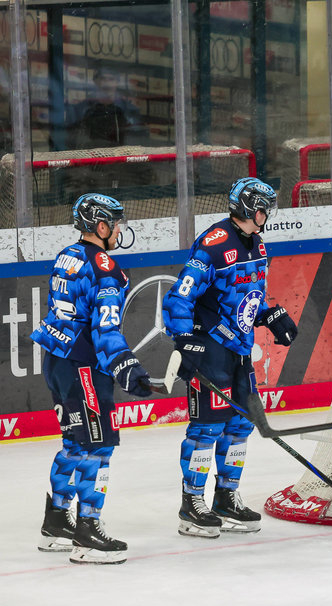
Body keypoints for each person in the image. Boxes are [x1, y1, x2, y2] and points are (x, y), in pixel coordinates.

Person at [162, 177, 298, 538]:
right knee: (207, 427)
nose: (268, 215)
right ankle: (192, 503)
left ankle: (226, 497)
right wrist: (185, 340)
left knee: (240, 425)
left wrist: (269, 314)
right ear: (251, 209)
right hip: (210, 348)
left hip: (240, 348)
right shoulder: (214, 244)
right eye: (265, 208)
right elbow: (179, 297)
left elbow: (247, 297)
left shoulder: (258, 244)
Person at [31, 193, 153, 565]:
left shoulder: (66, 255)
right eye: (116, 224)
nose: (119, 230)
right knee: (98, 447)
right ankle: (87, 531)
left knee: (74, 443)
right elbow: (105, 328)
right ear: (101, 226)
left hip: (57, 360)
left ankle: (56, 523)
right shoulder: (106, 269)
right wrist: (126, 365)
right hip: (83, 367)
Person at [68, 65, 147, 149]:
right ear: (95, 81)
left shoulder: (130, 110)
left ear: (117, 82)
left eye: (111, 79)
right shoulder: (80, 109)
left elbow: (138, 142)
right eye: (103, 79)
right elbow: (71, 140)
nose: (107, 83)